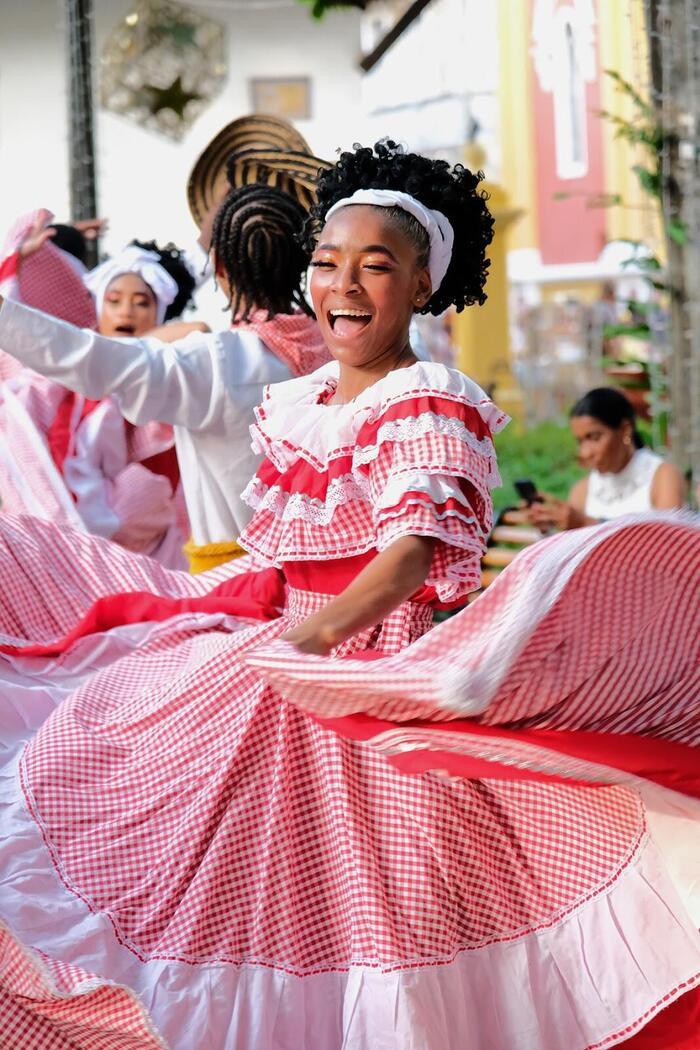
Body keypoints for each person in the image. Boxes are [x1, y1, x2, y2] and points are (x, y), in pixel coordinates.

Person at [0, 141, 697, 1049]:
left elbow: (410, 552)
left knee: (385, 930)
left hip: (371, 694)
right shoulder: (309, 397)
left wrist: (317, 639)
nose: (345, 285)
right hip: (266, 677)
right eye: (327, 263)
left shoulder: (430, 397)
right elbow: (290, 563)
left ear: (420, 286)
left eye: (377, 266)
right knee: (214, 901)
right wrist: (218, 611)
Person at [0, 184, 329, 573]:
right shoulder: (339, 355)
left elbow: (88, 358)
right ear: (307, 260)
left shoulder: (213, 363)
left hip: (239, 584)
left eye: (142, 301)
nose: (127, 311)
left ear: (219, 269)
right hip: (329, 577)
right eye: (115, 299)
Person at [525, 386, 686, 531]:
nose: (585, 452)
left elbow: (668, 539)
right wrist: (549, 526)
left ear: (625, 430)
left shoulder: (662, 476)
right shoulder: (583, 490)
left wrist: (586, 523)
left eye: (594, 437)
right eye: (580, 441)